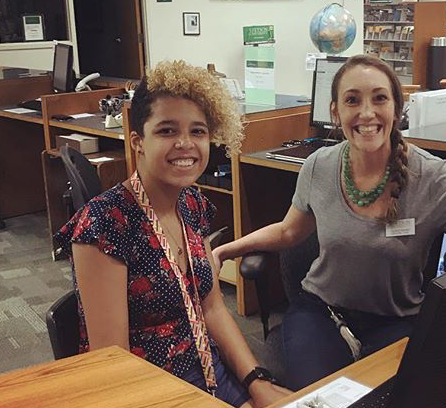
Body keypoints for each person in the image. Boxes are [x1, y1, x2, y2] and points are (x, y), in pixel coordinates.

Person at [213, 55, 446, 391]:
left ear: (397, 108)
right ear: (336, 112)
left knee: (388, 399)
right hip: (321, 313)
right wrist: (226, 250)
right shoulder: (319, 166)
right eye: (352, 100)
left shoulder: (435, 177)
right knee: (322, 399)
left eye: (379, 98)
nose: (366, 113)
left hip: (398, 321)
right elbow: (289, 231)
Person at [55, 60, 289, 408]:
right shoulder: (104, 223)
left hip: (210, 372)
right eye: (167, 131)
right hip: (146, 389)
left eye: (198, 131)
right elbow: (113, 365)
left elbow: (211, 308)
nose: (186, 144)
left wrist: (257, 382)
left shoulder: (193, 204)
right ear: (138, 141)